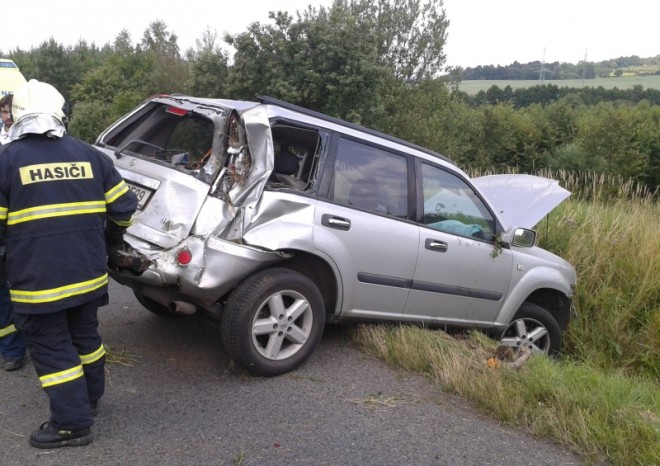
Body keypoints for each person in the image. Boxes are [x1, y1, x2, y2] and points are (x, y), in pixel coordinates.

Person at [0, 80, 138, 449]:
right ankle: (90, 399)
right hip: (89, 276)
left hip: (39, 282)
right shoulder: (91, 156)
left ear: (19, 115)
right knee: (86, 338)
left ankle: (71, 425)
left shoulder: (7, 160)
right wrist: (112, 240)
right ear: (59, 111)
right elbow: (125, 207)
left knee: (52, 348)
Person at [0, 93, 27, 371]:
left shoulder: (24, 142)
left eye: (11, 110)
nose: (7, 115)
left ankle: (14, 350)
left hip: (15, 226)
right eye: (4, 111)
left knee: (12, 293)